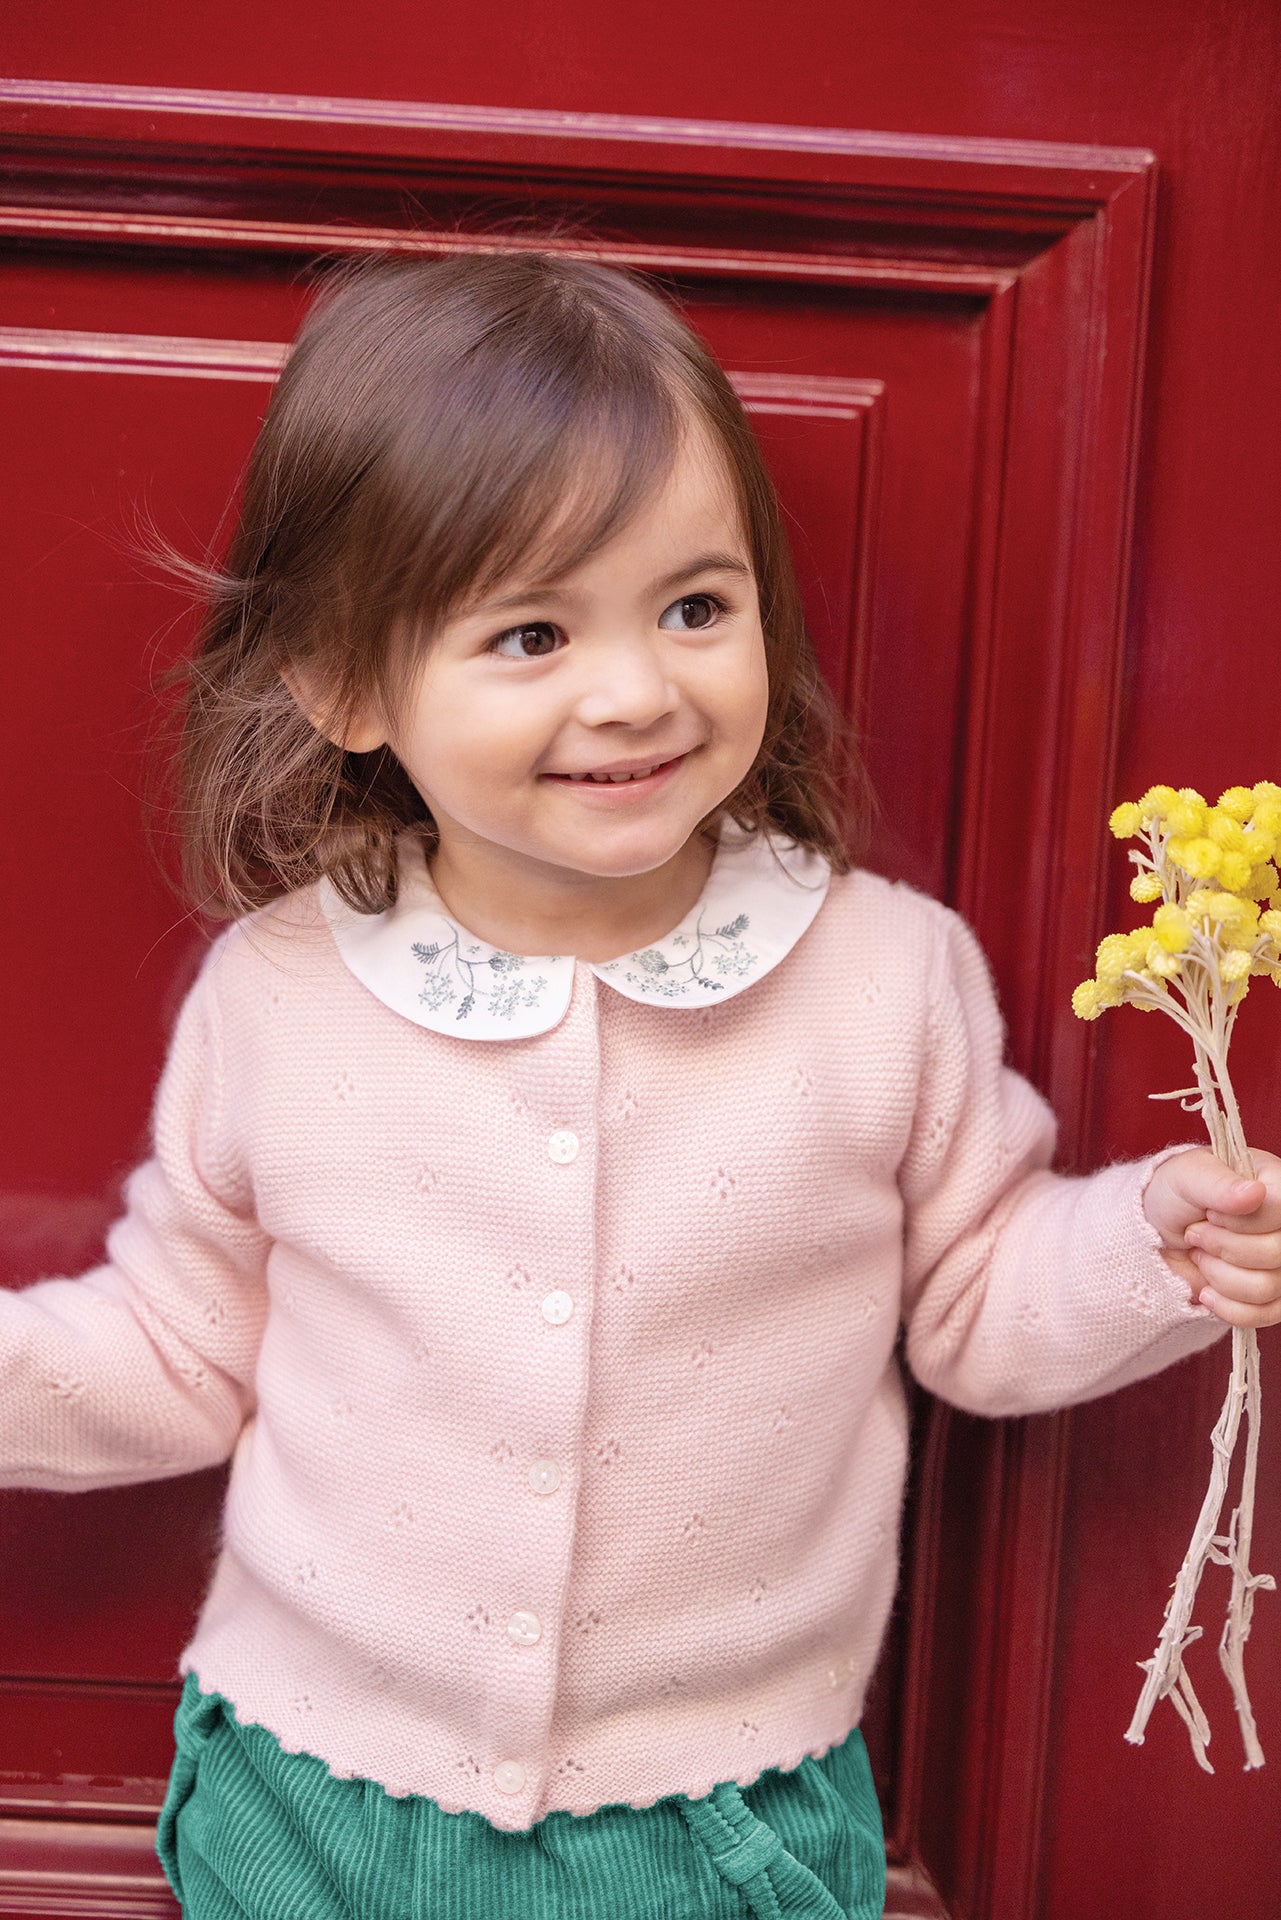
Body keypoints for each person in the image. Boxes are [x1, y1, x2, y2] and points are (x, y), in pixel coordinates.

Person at [4, 251, 1279, 1920]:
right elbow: (181, 1347)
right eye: (531, 632)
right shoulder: (281, 993)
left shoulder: (884, 975)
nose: (635, 692)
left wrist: (1153, 1248)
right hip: (316, 1797)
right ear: (341, 683)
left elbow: (974, 1298)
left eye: (694, 607)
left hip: (719, 1821)